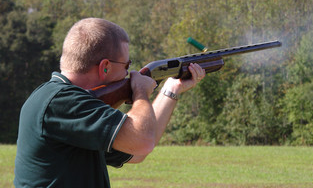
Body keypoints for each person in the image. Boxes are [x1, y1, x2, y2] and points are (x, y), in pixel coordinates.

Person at [14, 18, 206, 187]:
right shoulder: (62, 101)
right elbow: (142, 142)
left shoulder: (62, 99)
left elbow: (137, 151)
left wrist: (172, 89)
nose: (128, 73)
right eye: (127, 66)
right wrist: (140, 92)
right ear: (105, 66)